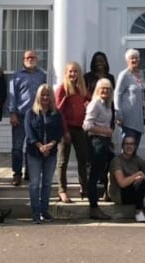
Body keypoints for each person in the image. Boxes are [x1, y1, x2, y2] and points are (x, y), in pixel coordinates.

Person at [24, 84, 64, 224]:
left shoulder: (56, 113)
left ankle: (44, 210)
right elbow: (29, 133)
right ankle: (35, 212)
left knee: (47, 183)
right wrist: (40, 146)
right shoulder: (31, 113)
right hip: (34, 152)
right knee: (34, 184)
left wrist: (51, 145)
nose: (45, 97)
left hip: (51, 152)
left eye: (48, 95)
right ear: (38, 96)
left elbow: (60, 131)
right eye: (43, 95)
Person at [7, 50, 47, 186]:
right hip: (20, 115)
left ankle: (30, 173)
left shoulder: (41, 75)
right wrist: (12, 113)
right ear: (23, 59)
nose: (30, 59)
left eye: (33, 57)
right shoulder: (17, 76)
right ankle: (16, 174)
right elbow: (12, 95)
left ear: (37, 59)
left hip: (36, 115)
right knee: (17, 147)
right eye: (28, 57)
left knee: (33, 145)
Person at [55, 61, 89, 204]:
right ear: (66, 73)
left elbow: (88, 101)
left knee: (83, 159)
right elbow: (58, 111)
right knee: (63, 161)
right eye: (70, 71)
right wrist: (64, 131)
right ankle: (62, 190)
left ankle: (84, 187)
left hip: (80, 128)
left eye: (75, 71)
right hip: (66, 128)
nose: (73, 74)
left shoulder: (81, 88)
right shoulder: (62, 88)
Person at [83, 78, 115, 220]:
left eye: (108, 88)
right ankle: (93, 207)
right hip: (96, 142)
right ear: (97, 89)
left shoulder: (107, 105)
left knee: (108, 169)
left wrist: (109, 138)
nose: (105, 91)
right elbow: (87, 126)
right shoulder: (95, 104)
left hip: (105, 142)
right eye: (102, 88)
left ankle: (107, 194)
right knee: (94, 176)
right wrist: (104, 131)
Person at [109, 136, 145, 222]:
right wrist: (137, 175)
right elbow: (122, 183)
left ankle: (142, 196)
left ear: (135, 146)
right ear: (122, 146)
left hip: (135, 188)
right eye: (126, 144)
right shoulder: (117, 160)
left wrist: (144, 178)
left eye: (132, 144)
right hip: (120, 194)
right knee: (139, 182)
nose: (129, 146)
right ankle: (138, 211)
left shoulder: (137, 159)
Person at [115, 48, 145, 147]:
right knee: (128, 145)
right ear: (127, 60)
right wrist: (119, 114)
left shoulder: (141, 73)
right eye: (132, 58)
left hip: (139, 117)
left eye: (136, 58)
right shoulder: (124, 74)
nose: (134, 60)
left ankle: (132, 163)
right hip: (127, 118)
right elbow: (117, 94)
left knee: (135, 145)